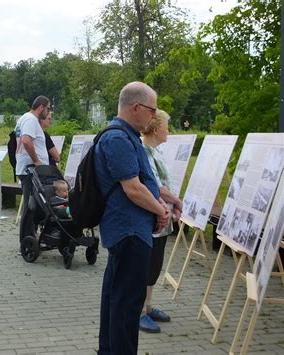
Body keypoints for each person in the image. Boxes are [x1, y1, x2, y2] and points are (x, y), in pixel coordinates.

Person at [95, 81, 171, 354]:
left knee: (118, 299)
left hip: (132, 232)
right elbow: (133, 188)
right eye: (152, 110)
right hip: (129, 233)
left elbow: (143, 184)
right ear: (136, 107)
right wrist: (160, 210)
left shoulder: (127, 136)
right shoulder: (117, 138)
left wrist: (158, 203)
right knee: (126, 306)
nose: (154, 116)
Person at [140, 109, 183, 333]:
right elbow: (155, 186)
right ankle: (138, 312)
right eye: (167, 126)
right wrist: (176, 200)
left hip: (162, 218)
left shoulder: (154, 151)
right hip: (153, 219)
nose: (169, 131)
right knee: (147, 265)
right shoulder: (145, 152)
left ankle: (148, 307)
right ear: (156, 130)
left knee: (155, 265)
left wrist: (172, 203)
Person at [15, 96, 51, 245]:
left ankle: (30, 237)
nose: (48, 112)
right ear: (41, 107)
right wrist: (37, 161)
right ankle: (26, 241)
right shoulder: (30, 120)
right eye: (48, 108)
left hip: (28, 169)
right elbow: (26, 140)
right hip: (30, 170)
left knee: (33, 206)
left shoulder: (25, 119)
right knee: (30, 207)